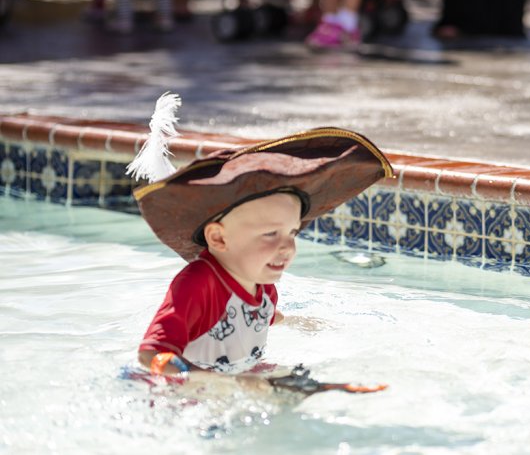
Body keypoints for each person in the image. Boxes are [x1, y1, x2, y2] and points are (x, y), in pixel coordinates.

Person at [132, 118, 393, 380]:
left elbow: (254, 316)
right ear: (219, 239)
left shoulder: (261, 281)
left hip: (237, 380)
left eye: (292, 233)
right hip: (181, 398)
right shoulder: (198, 284)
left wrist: (294, 322)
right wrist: (218, 382)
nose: (287, 247)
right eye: (270, 234)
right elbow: (151, 355)